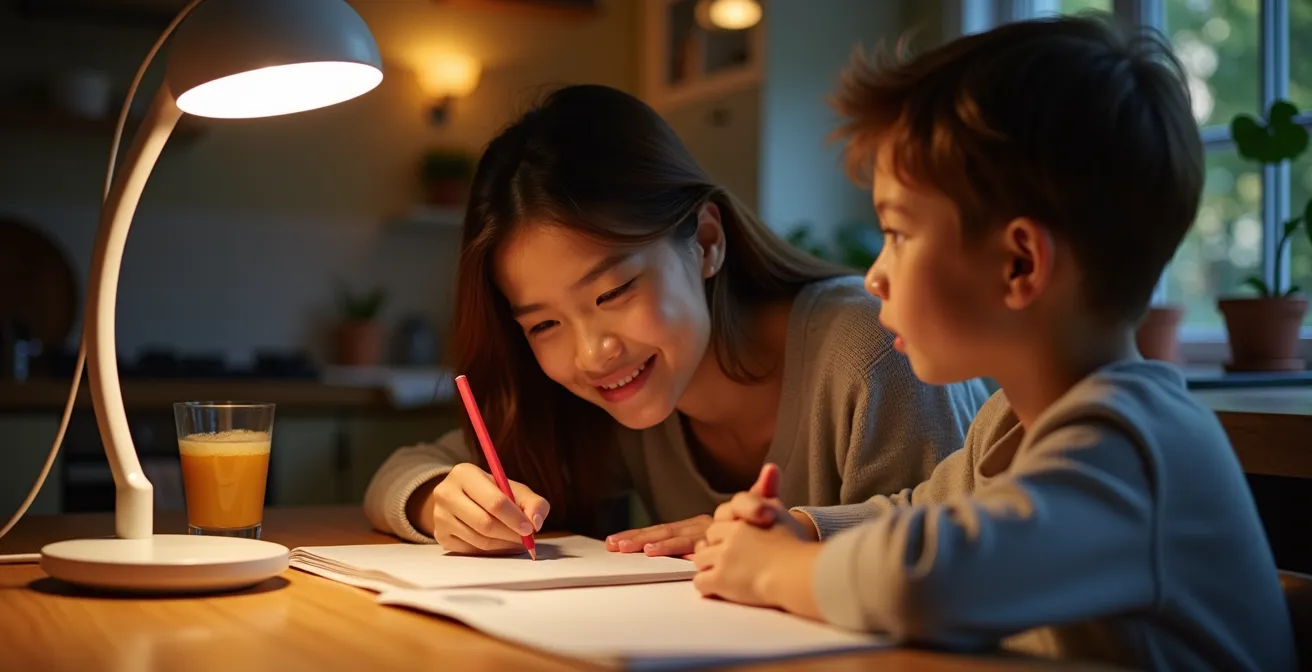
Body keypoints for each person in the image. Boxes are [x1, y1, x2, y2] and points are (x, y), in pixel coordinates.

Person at [689, 15, 1297, 671]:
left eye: (897, 233)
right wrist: (804, 528)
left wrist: (777, 571)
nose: (874, 275)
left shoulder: (1131, 448)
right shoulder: (1015, 420)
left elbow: (926, 581)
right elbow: (924, 513)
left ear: (1019, 266)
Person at [363, 84, 990, 557]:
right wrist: (438, 498)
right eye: (543, 325)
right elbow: (406, 469)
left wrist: (792, 535)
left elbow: (965, 540)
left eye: (613, 292)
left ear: (707, 241)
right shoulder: (615, 397)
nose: (592, 353)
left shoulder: (876, 351)